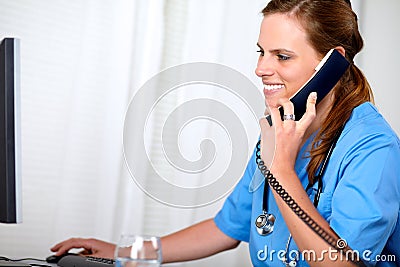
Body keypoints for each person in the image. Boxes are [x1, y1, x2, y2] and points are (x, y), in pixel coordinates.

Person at [51, 0, 400, 266]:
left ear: (333, 62)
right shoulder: (285, 127)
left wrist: (281, 170)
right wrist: (126, 252)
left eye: (282, 56)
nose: (261, 68)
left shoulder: (373, 149)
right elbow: (226, 228)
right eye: (262, 52)